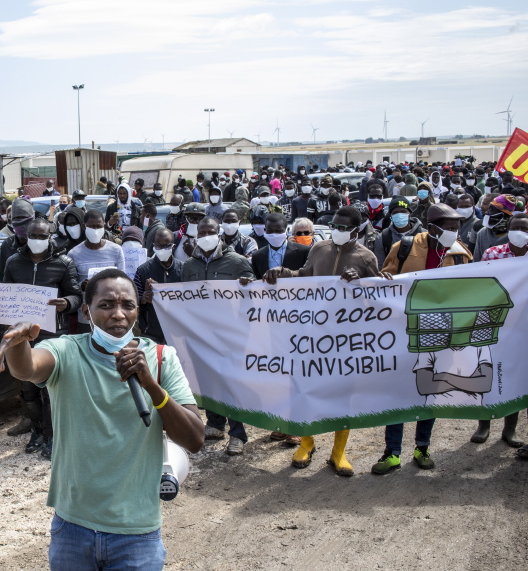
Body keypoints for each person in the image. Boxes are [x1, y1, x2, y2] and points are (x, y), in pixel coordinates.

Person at [0, 269, 204, 571]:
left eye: (127, 305)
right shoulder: (67, 351)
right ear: (87, 311)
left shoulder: (162, 358)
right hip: (73, 532)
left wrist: (151, 386)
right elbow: (28, 368)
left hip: (135, 538)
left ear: (139, 310)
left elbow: (195, 438)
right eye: (106, 305)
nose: (118, 314)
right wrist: (18, 341)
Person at [263, 206, 386, 476]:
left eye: (343, 227)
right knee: (307, 389)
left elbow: (377, 297)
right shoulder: (319, 249)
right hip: (314, 334)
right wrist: (283, 273)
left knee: (343, 394)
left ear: (357, 229)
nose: (337, 231)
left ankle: (338, 452)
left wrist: (362, 282)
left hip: (346, 339)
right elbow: (305, 276)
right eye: (334, 226)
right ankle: (307, 442)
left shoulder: (365, 257)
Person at [371, 204, 473, 475]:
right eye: (449, 229)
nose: (454, 233)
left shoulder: (461, 255)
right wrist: (384, 279)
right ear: (432, 228)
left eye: (456, 228)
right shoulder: (404, 247)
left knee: (431, 392)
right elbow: (386, 282)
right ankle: (391, 453)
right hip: (403, 334)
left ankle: (422, 447)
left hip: (440, 337)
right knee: (397, 394)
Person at [0, 218, 83, 457]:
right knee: (27, 387)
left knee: (49, 388)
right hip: (22, 336)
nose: (37, 241)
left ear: (50, 236)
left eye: (42, 236)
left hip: (51, 334)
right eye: (33, 236)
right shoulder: (13, 262)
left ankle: (52, 436)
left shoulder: (63, 263)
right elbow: (4, 293)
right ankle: (37, 432)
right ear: (25, 236)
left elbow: (76, 296)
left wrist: (66, 303)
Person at [181, 217, 254, 454]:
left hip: (229, 334)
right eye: (201, 233)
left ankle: (237, 434)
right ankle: (214, 423)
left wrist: (248, 284)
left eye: (210, 231)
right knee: (206, 379)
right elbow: (183, 297)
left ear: (219, 233)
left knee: (230, 382)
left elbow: (253, 296)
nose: (205, 236)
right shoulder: (189, 266)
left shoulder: (236, 262)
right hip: (200, 334)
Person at [468, 212, 528, 454]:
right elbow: (480, 285)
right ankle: (484, 424)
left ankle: (509, 429)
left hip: (523, 327)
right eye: (516, 227)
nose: (520, 231)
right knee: (488, 373)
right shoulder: (493, 253)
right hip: (494, 324)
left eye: (525, 227)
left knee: (516, 378)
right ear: (508, 228)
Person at [67, 211, 125, 333]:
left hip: (112, 313)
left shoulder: (116, 250)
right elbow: (69, 286)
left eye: (99, 226)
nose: (95, 230)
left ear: (104, 226)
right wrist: (82, 285)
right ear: (84, 226)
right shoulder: (73, 254)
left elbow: (124, 281)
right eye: (91, 226)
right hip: (86, 315)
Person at [135, 227, 181, 344]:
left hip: (178, 332)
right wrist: (143, 299)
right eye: (158, 246)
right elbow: (133, 302)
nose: (162, 249)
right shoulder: (143, 271)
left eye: (167, 246)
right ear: (153, 246)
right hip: (151, 332)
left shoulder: (184, 269)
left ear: (173, 246)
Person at [473, 194, 516, 262]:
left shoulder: (515, 236)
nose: (487, 212)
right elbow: (476, 261)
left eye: (491, 210)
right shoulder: (482, 233)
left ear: (503, 215)